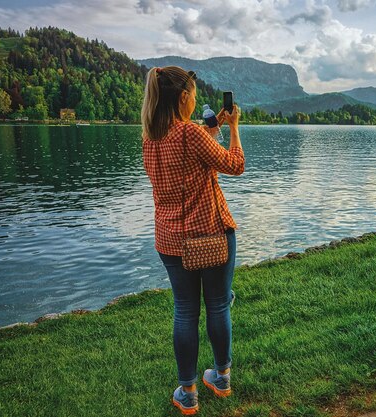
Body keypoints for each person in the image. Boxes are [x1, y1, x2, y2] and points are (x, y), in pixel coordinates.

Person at [141, 65, 244, 415]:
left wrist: (211, 126)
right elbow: (235, 164)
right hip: (212, 234)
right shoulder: (190, 134)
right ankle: (221, 377)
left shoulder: (150, 138)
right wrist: (232, 128)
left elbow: (191, 150)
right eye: (194, 97)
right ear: (184, 98)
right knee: (217, 304)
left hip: (170, 239)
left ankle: (188, 393)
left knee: (185, 310)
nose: (195, 101)